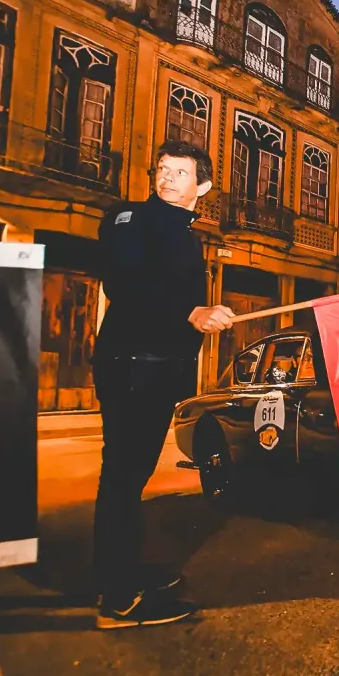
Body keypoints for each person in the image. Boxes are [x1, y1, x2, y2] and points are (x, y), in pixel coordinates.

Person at [92, 140, 235, 629]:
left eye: (180, 172)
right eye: (162, 169)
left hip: (156, 370)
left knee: (131, 477)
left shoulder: (184, 233)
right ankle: (118, 599)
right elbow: (124, 284)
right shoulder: (130, 219)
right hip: (133, 367)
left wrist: (199, 318)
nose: (167, 177)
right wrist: (191, 312)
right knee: (122, 477)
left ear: (203, 186)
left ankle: (123, 573)